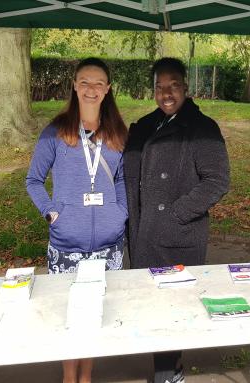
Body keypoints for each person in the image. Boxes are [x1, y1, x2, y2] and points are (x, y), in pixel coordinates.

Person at [123, 57, 230, 383]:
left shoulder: (202, 129)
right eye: (159, 87)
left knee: (172, 307)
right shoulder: (145, 125)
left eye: (173, 86)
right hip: (144, 232)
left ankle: (169, 374)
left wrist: (176, 215)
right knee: (153, 305)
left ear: (185, 87)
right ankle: (165, 369)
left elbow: (217, 180)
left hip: (176, 234)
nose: (166, 93)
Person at [26, 57, 128, 383]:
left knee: (95, 315)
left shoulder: (117, 135)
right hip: (67, 246)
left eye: (98, 83)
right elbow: (33, 180)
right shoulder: (55, 133)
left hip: (108, 249)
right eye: (84, 82)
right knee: (70, 317)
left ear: (108, 89)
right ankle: (70, 378)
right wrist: (53, 213)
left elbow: (124, 179)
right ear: (74, 85)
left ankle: (86, 378)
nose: (91, 89)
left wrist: (120, 212)